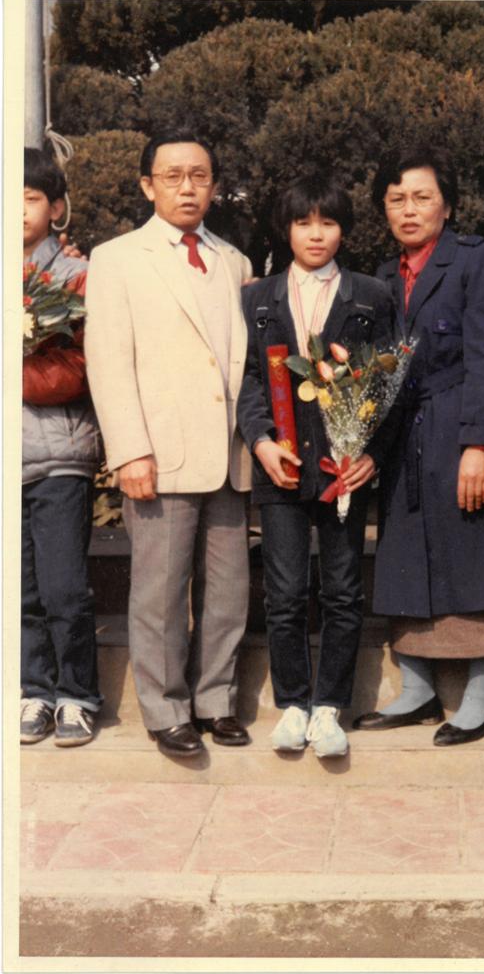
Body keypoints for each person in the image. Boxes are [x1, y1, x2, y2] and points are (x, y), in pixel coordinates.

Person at [354, 146, 484, 746]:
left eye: (422, 197)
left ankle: (480, 695)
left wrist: (480, 444)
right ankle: (417, 687)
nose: (409, 210)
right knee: (407, 556)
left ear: (448, 205)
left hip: (464, 423)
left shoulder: (475, 261)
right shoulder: (381, 278)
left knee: (476, 551)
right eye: (396, 200)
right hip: (405, 437)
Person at [85, 129, 254, 758]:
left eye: (200, 175)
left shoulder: (234, 261)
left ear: (213, 184)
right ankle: (164, 710)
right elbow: (108, 361)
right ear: (147, 185)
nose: (188, 187)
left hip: (230, 455)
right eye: (174, 176)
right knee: (158, 590)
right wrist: (129, 450)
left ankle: (216, 701)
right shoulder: (118, 258)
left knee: (229, 588)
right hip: (159, 453)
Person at [237, 174, 395, 758]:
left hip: (341, 469)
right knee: (283, 590)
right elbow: (248, 380)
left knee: (343, 590)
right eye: (304, 222)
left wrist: (370, 455)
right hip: (280, 467)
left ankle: (330, 707)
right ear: (287, 228)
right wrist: (259, 441)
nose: (316, 234)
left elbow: (390, 386)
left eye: (328, 222)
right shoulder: (258, 299)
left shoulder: (371, 296)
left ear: (344, 231)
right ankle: (292, 704)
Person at [21, 147, 103, 746]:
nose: (15, 211)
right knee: (19, 589)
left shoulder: (75, 277)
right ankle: (34, 692)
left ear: (56, 208)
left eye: (28, 198)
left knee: (65, 587)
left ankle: (77, 694)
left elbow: (82, 369)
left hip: (59, 456)